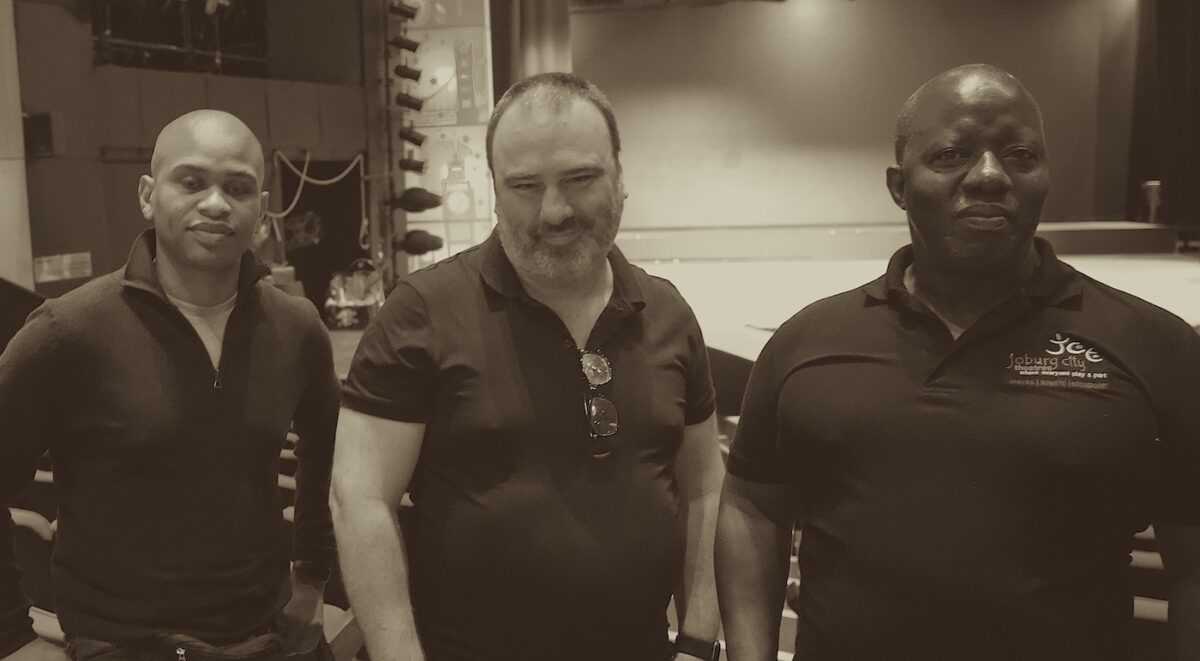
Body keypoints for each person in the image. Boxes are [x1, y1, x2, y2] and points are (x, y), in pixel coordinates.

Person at [715, 64, 1200, 661]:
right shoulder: (806, 342)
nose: (991, 175)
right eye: (952, 155)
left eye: (1020, 154)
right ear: (898, 186)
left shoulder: (1154, 346)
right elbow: (753, 507)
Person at [332, 72, 724, 661]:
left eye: (581, 178)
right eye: (524, 186)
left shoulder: (668, 314)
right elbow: (360, 499)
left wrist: (696, 642)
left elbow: (704, 489)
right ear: (494, 190)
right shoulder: (421, 312)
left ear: (620, 177)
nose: (555, 211)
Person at [0, 110, 340, 661]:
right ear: (147, 195)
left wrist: (311, 577)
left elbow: (323, 453)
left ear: (260, 209)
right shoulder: (67, 331)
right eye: (191, 181)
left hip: (269, 634)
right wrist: (12, 639)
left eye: (238, 188)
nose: (216, 203)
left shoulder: (298, 328)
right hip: (126, 644)